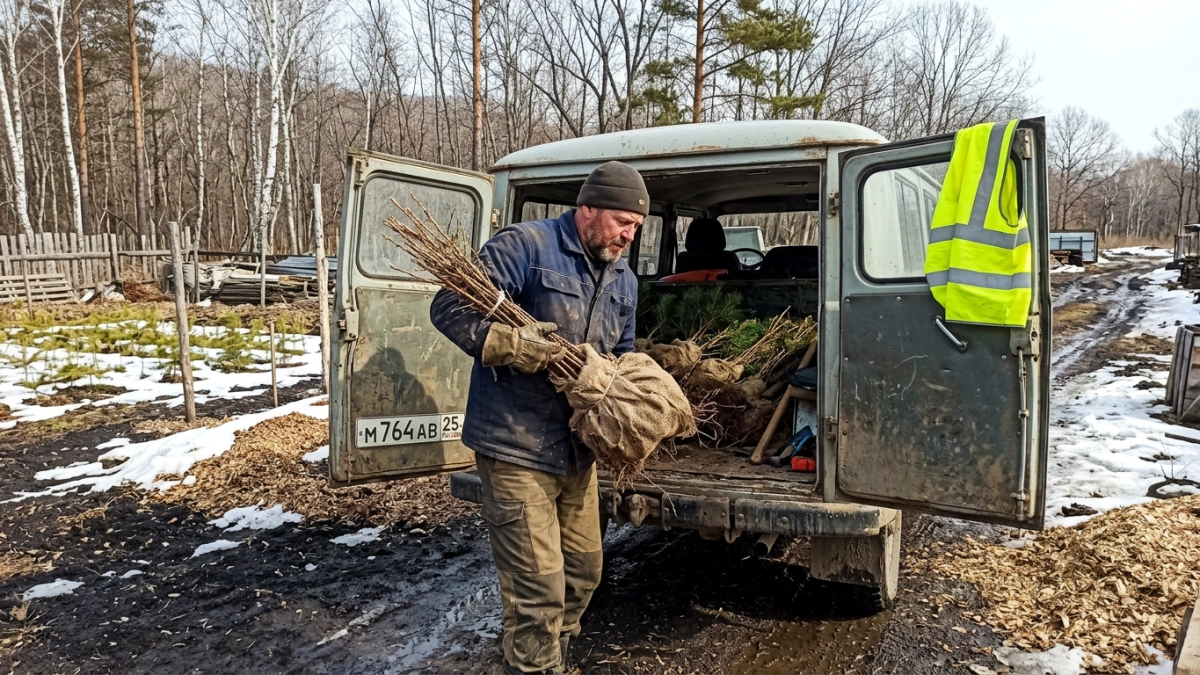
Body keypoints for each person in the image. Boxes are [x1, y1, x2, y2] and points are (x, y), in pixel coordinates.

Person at [430, 161, 648, 674]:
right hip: (515, 443)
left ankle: (554, 659)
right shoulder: (525, 246)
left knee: (583, 574)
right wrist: (507, 343)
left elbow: (622, 354)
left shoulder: (624, 279)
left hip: (576, 450)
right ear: (587, 208)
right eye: (622, 222)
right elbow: (448, 307)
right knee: (538, 589)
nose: (629, 236)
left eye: (636, 227)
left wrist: (625, 401)